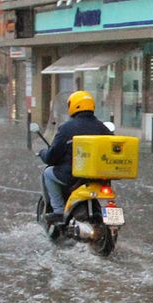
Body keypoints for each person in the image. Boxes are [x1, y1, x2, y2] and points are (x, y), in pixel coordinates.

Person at [38, 90, 113, 223]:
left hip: (72, 176)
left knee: (48, 173)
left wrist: (43, 153)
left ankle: (59, 211)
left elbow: (52, 157)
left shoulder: (66, 128)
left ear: (73, 106)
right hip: (98, 176)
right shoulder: (102, 128)